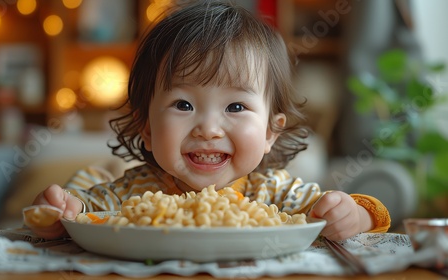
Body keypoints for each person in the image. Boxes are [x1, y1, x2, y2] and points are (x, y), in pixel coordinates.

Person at [28, 0, 390, 241]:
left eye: (235, 107)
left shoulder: (275, 193)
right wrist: (60, 213)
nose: (209, 129)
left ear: (270, 132)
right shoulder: (134, 194)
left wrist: (355, 216)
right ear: (148, 129)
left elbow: (355, 210)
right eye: (183, 104)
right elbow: (84, 213)